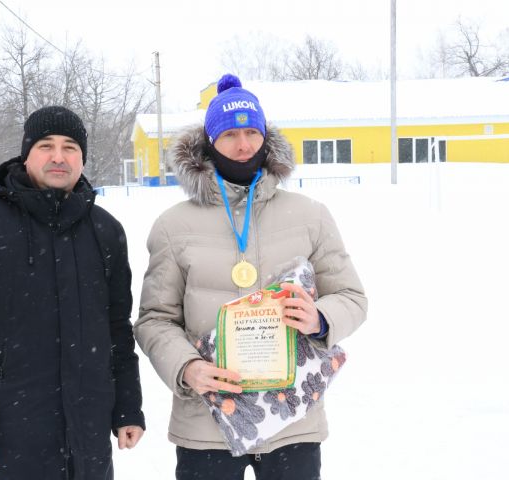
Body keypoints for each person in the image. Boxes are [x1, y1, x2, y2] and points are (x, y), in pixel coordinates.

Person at [133, 74, 367, 480]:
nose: (243, 145)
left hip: (292, 421)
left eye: (251, 132)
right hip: (206, 423)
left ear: (266, 137)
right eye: (229, 135)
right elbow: (155, 320)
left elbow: (351, 296)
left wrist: (321, 318)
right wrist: (187, 366)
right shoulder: (174, 225)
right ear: (208, 143)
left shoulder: (310, 215)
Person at [0, 105, 145, 479]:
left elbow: (116, 329)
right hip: (1, 448)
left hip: (86, 447)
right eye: (46, 145)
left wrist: (127, 405)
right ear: (27, 154)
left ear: (82, 158)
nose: (58, 156)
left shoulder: (106, 230)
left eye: (70, 146)